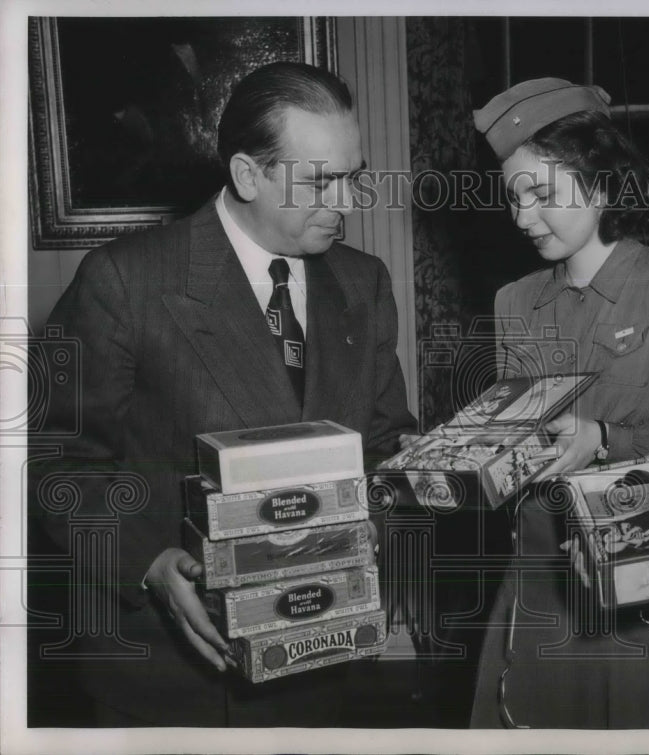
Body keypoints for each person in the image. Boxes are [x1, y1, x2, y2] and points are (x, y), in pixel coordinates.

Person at [29, 62, 416, 727]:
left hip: (320, 661)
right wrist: (147, 562)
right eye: (323, 182)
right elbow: (50, 465)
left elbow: (383, 442)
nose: (349, 203)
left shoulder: (364, 283)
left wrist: (431, 468)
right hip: (173, 679)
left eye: (353, 176)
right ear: (247, 175)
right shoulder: (125, 281)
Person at [468, 78, 649, 728]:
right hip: (538, 592)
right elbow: (513, 452)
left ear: (599, 182)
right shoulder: (515, 300)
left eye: (542, 194)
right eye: (513, 197)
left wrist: (603, 439)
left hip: (647, 599)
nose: (522, 217)